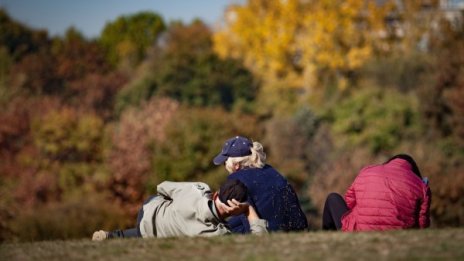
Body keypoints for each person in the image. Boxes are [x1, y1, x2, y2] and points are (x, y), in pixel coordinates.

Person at [92, 179, 267, 240]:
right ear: (235, 209)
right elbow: (259, 242)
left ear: (215, 194)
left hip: (148, 210)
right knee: (153, 233)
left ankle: (109, 237)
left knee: (149, 228)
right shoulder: (217, 234)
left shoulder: (199, 189)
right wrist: (249, 210)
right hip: (153, 235)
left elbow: (162, 187)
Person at [213, 136, 308, 233]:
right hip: (298, 229)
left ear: (236, 165)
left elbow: (247, 219)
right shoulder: (270, 170)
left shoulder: (236, 179)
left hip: (271, 232)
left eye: (225, 163)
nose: (224, 166)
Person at [322, 154, 432, 232]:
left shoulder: (368, 171)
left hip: (359, 231)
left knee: (333, 198)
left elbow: (349, 202)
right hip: (398, 235)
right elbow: (422, 226)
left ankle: (327, 239)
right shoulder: (421, 185)